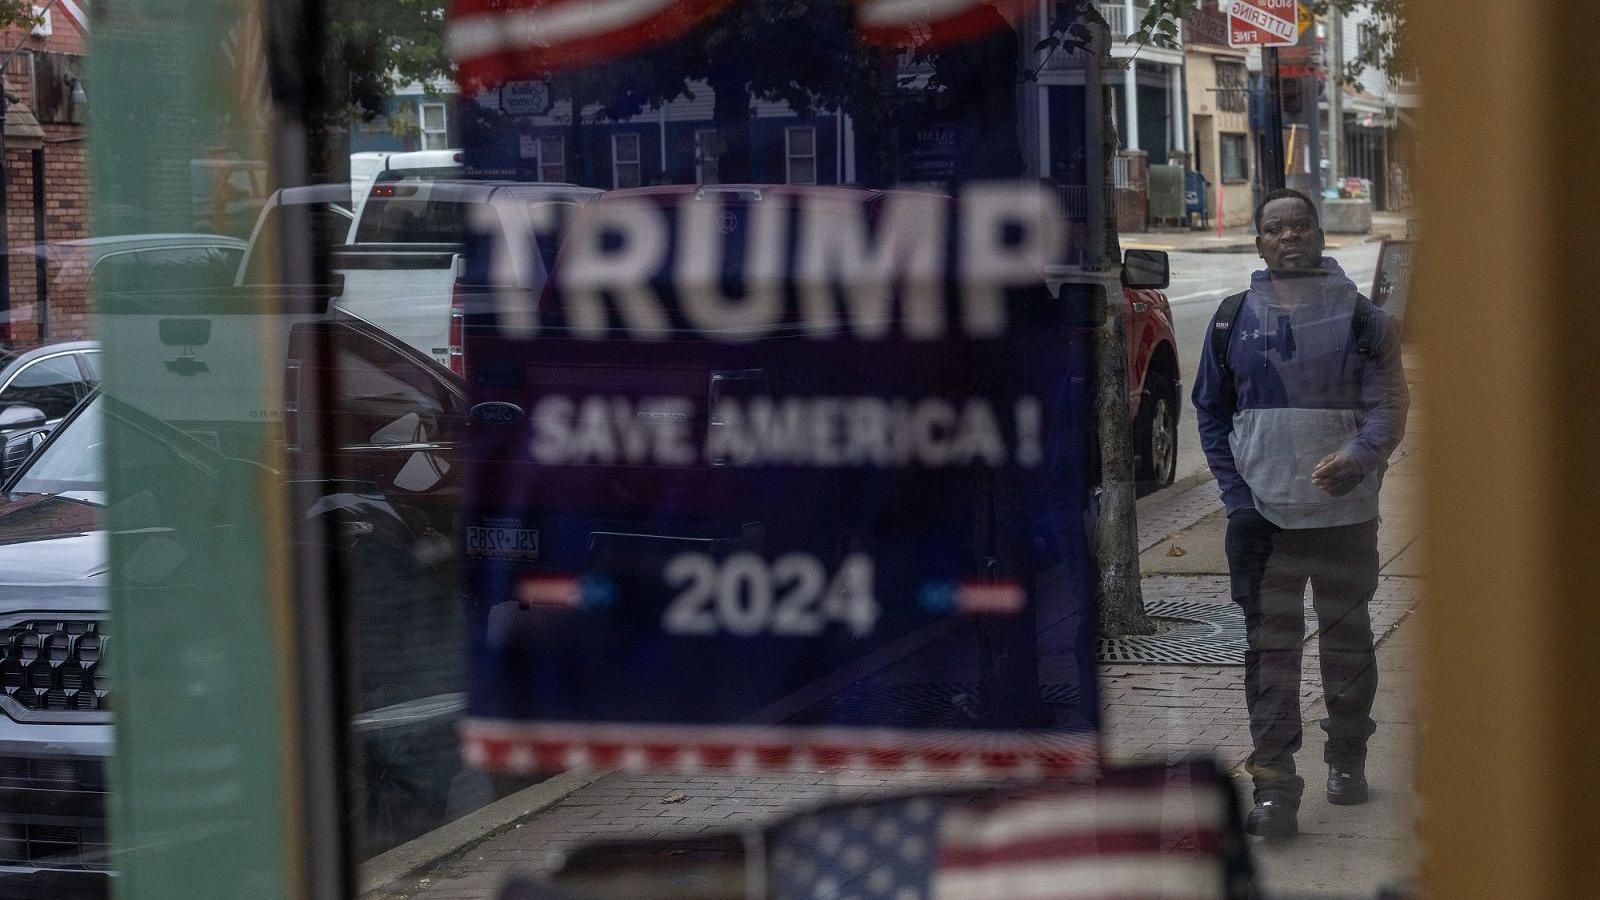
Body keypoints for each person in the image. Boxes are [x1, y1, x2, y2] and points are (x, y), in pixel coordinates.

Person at [1192, 188, 1409, 838]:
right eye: (1274, 228)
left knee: (1347, 641)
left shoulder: (1362, 319)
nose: (1288, 236)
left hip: (1345, 519)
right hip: (1262, 523)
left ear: (1318, 236)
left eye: (1299, 226)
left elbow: (1390, 404)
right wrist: (1236, 497)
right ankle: (1276, 791)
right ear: (1258, 242)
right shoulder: (1233, 319)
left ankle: (1347, 759)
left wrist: (1360, 457)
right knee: (1270, 651)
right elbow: (1210, 410)